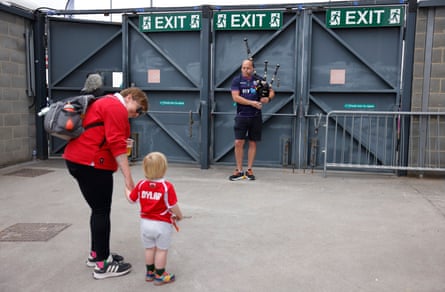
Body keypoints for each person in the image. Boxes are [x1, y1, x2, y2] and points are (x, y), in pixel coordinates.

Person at [64, 86, 148, 279]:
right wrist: (129, 179)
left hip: (79, 160)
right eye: (138, 109)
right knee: (102, 211)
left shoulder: (105, 103)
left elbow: (107, 136)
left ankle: (96, 255)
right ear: (130, 97)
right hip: (92, 163)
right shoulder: (115, 107)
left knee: (98, 210)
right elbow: (117, 145)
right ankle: (103, 265)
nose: (136, 115)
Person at [127, 151, 183, 285]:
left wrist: (127, 189)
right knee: (161, 250)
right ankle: (160, 274)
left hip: (145, 224)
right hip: (162, 224)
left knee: (149, 248)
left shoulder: (141, 184)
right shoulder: (166, 186)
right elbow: (173, 205)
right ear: (164, 168)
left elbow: (131, 199)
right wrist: (179, 215)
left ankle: (150, 272)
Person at [229, 59, 275, 181]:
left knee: (253, 142)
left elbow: (271, 91)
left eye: (248, 68)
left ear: (253, 68)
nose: (245, 70)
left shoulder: (259, 80)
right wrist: (252, 103)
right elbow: (236, 97)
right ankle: (239, 170)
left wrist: (268, 99)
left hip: (255, 116)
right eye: (243, 67)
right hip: (241, 116)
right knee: (238, 142)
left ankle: (249, 169)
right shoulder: (237, 80)